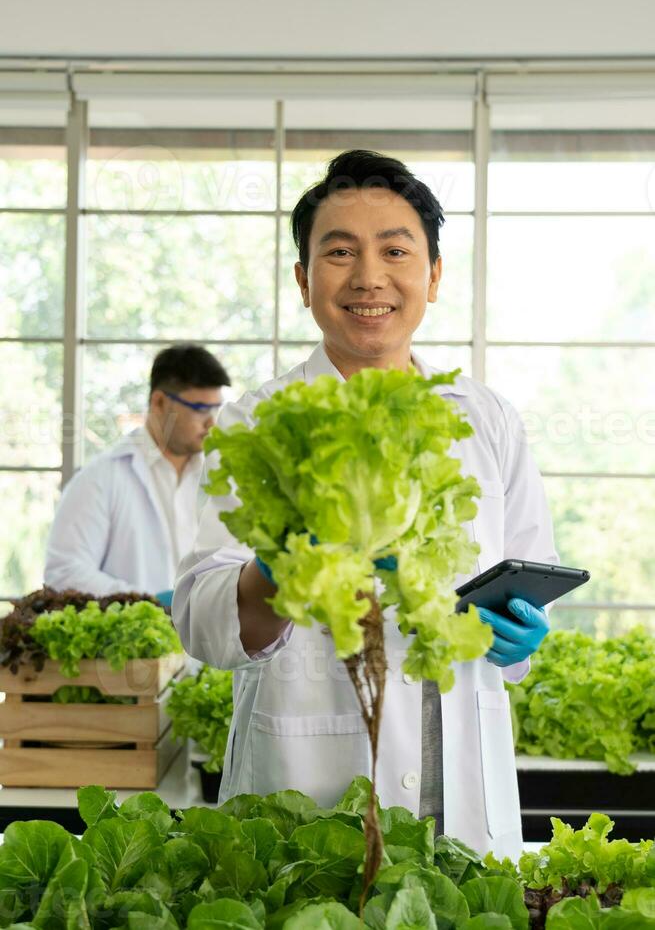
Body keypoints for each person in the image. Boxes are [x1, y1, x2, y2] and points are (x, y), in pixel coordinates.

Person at [173, 151, 557, 860]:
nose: (369, 278)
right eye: (340, 253)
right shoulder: (257, 422)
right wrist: (281, 568)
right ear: (303, 279)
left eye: (395, 251)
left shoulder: (487, 418)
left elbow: (531, 572)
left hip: (461, 789)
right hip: (308, 785)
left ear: (433, 276)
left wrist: (521, 626)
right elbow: (200, 616)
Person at [45, 344, 230, 600]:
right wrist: (147, 602)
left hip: (206, 638)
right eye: (200, 409)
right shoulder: (101, 479)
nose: (212, 422)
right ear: (159, 402)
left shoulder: (221, 478)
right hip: (131, 637)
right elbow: (64, 572)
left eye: (216, 408)